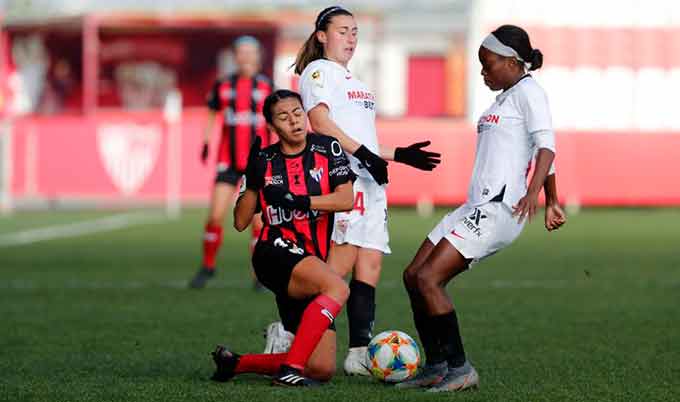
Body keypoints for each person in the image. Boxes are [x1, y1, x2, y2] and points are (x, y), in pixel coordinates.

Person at [262, 5, 441, 375]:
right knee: (336, 270)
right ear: (322, 36)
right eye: (343, 30)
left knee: (371, 263)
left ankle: (359, 351)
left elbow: (360, 135)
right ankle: (289, 331)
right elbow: (320, 121)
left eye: (355, 31)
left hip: (370, 180)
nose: (351, 38)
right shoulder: (317, 71)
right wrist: (364, 155)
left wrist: (396, 155)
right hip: (345, 178)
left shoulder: (355, 81)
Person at [396, 25, 567, 392]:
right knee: (413, 276)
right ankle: (437, 365)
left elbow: (547, 149)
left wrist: (540, 195)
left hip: (499, 209)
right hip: (474, 205)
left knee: (430, 279)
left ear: (511, 61)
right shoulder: (504, 98)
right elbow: (540, 155)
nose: (483, 71)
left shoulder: (530, 92)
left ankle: (460, 369)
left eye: (488, 64)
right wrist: (552, 199)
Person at [211, 89, 356, 386]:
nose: (294, 121)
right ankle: (290, 368)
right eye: (283, 117)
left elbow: (345, 199)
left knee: (321, 369)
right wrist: (252, 181)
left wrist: (297, 200)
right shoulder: (265, 160)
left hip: (309, 261)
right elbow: (240, 222)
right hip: (273, 252)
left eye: (297, 113)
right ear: (272, 127)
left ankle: (235, 363)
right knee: (338, 288)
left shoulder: (328, 148)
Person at [189, 36, 273, 289]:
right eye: (242, 52)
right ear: (235, 56)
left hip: (257, 164)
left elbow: (276, 121)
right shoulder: (223, 85)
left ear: (258, 56)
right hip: (228, 161)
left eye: (251, 52)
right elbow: (213, 114)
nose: (246, 57)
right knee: (215, 216)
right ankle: (208, 266)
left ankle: (259, 276)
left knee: (258, 222)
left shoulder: (268, 86)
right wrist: (205, 142)